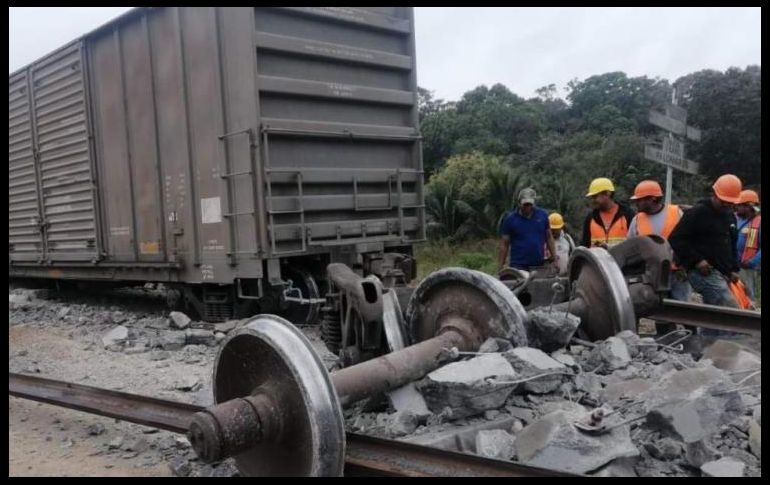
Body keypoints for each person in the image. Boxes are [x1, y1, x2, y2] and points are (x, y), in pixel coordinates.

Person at [668, 174, 743, 308]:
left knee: (717, 312)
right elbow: (676, 238)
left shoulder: (729, 216)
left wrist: (733, 269)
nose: (726, 204)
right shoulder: (697, 213)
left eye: (730, 202)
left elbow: (731, 244)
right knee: (730, 308)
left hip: (722, 272)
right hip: (702, 271)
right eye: (723, 201)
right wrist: (697, 260)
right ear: (714, 193)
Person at [627, 180, 691, 302]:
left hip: (678, 273)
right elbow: (630, 246)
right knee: (657, 308)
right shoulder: (637, 220)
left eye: (639, 200)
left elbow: (690, 238)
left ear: (652, 199)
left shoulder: (676, 212)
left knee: (681, 308)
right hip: (652, 274)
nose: (636, 203)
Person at [498, 187, 557, 272]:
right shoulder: (510, 219)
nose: (528, 207)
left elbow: (549, 237)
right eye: (525, 204)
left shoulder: (542, 216)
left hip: (538, 265)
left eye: (530, 204)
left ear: (534, 203)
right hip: (518, 266)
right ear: (519, 203)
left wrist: (555, 258)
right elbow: (504, 244)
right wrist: (500, 267)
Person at [581, 177, 635, 249]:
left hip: (622, 256)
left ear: (607, 193)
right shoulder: (590, 218)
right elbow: (585, 246)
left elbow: (635, 243)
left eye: (595, 196)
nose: (593, 200)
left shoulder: (628, 214)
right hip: (597, 256)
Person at [735, 189, 761, 300]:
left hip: (747, 268)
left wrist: (751, 262)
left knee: (747, 296)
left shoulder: (759, 223)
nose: (737, 207)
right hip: (731, 265)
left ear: (749, 206)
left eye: (740, 205)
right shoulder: (734, 218)